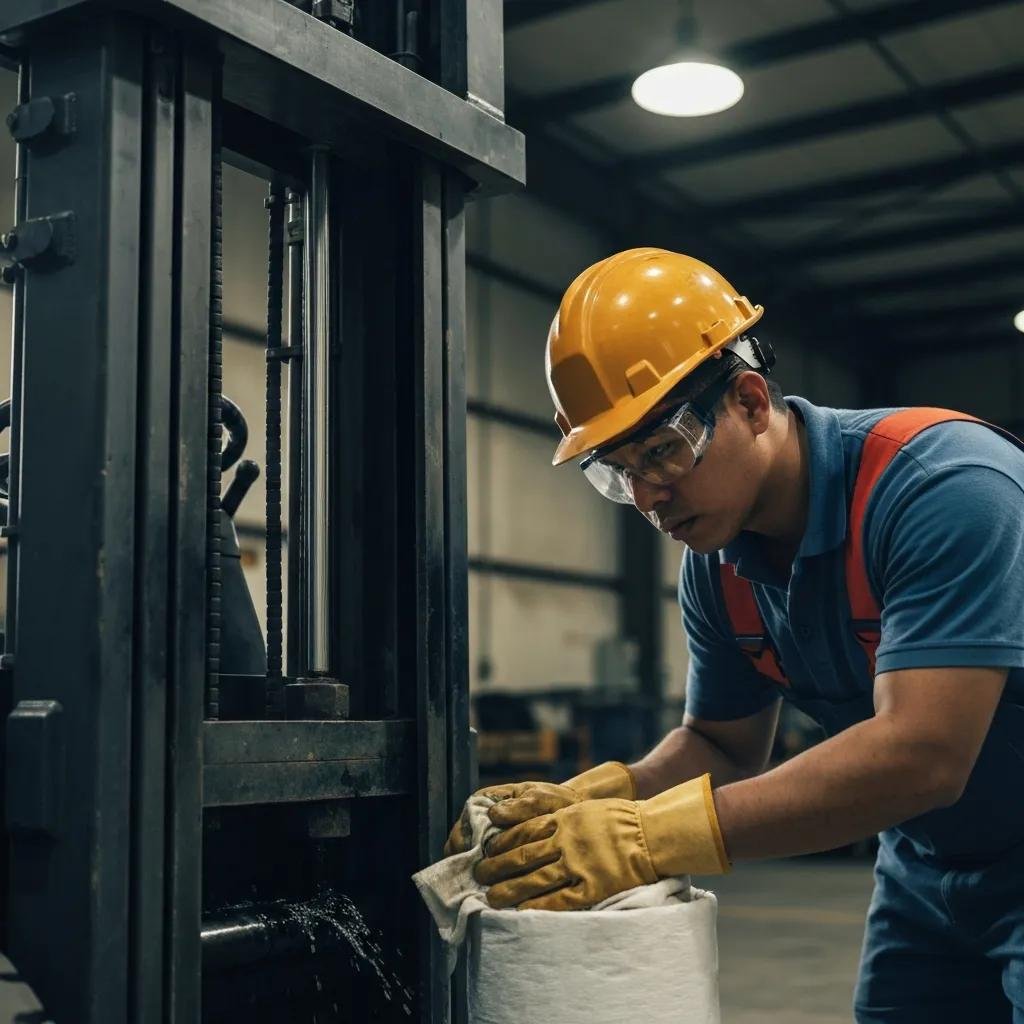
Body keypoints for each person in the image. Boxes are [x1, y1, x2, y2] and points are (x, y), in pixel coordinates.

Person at [448, 248, 1024, 1023]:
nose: (650, 496)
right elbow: (721, 744)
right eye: (618, 472)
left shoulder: (940, 486)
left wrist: (646, 839)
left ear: (751, 401)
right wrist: (599, 796)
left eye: (663, 450)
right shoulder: (719, 569)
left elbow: (923, 754)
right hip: (925, 868)